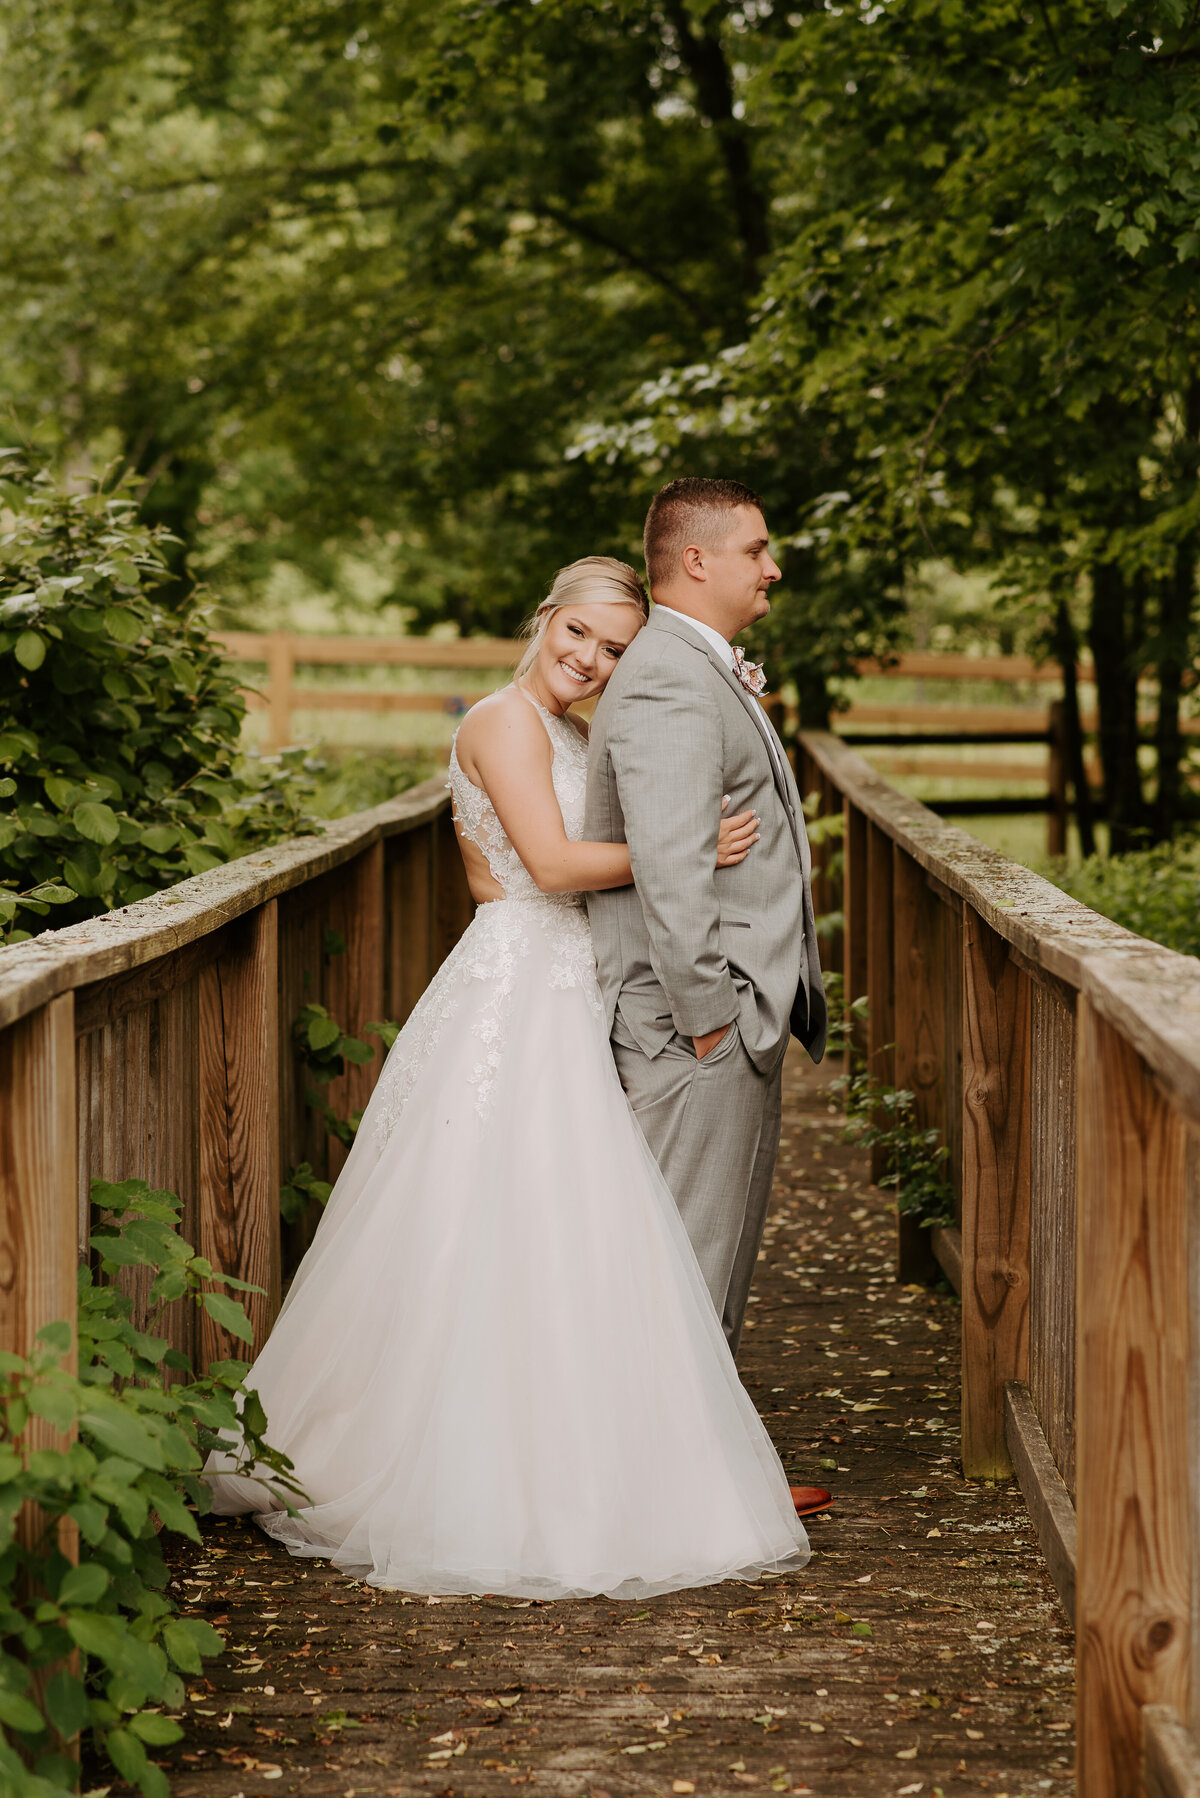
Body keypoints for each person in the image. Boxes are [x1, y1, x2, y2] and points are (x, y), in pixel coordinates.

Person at [205, 554, 814, 1600]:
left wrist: (726, 713)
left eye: (614, 648)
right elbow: (548, 864)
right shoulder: (501, 721)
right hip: (518, 981)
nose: (589, 658)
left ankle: (596, 1444)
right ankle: (462, 1463)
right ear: (545, 618)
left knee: (574, 1233)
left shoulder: (583, 730)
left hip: (579, 983)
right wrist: (685, 850)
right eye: (577, 633)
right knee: (488, 1220)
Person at [585, 478, 827, 1353]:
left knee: (707, 1273)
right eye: (756, 550)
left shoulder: (692, 667)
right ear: (696, 560)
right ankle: (659, 1486)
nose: (772, 568)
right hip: (696, 1030)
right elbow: (674, 874)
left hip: (719, 1024)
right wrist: (711, 1021)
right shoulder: (668, 684)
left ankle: (710, 1478)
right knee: (681, 1273)